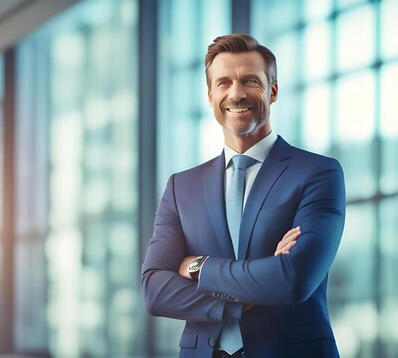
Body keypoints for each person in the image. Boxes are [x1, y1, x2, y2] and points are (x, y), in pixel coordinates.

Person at [141, 33, 346, 358]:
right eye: (223, 83)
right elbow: (154, 291)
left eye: (250, 80)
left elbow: (293, 279)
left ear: (272, 89)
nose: (236, 94)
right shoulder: (182, 187)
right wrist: (246, 297)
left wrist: (198, 267)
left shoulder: (317, 173)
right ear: (210, 95)